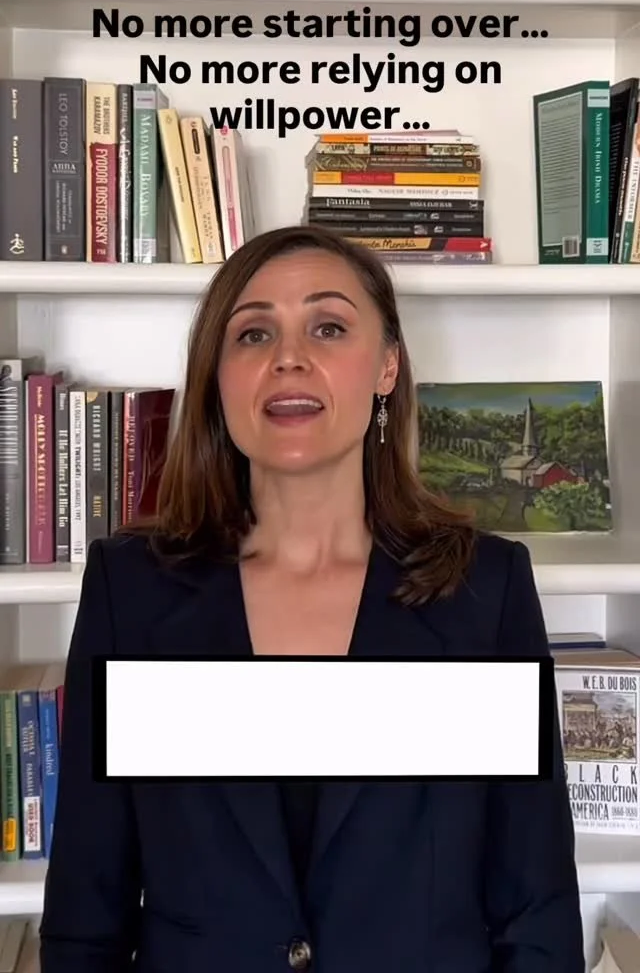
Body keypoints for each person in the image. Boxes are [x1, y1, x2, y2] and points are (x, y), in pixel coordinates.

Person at [39, 224, 584, 973]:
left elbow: (536, 909)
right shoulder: (129, 591)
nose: (288, 358)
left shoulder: (484, 591)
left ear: (387, 366)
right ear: (218, 376)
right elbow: (86, 913)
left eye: (328, 327)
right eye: (253, 333)